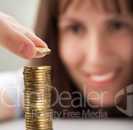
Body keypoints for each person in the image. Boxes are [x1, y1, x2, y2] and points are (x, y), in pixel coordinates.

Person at [0, 0, 133, 121]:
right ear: (54, 36)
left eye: (117, 26)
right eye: (75, 28)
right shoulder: (33, 87)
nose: (95, 59)